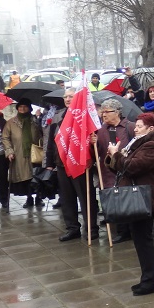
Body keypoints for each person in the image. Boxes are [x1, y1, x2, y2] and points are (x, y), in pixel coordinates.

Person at [106, 112, 154, 296]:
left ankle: (151, 281)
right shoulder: (138, 144)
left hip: (145, 197)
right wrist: (113, 156)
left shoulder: (152, 146)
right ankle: (148, 278)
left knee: (143, 240)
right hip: (138, 196)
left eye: (139, 126)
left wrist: (118, 156)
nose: (136, 129)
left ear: (151, 129)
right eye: (136, 126)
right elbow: (122, 166)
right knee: (140, 239)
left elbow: (131, 167)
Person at [45, 88, 99, 241]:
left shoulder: (86, 115)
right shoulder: (58, 116)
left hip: (81, 164)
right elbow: (51, 141)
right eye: (65, 97)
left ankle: (91, 227)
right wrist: (49, 162)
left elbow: (95, 138)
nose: (68, 99)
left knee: (86, 197)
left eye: (71, 96)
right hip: (61, 163)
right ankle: (72, 228)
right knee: (67, 199)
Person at [94, 98, 136, 242]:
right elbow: (95, 153)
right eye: (102, 112)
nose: (103, 115)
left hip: (125, 172)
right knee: (113, 203)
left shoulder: (130, 127)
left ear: (117, 112)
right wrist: (91, 144)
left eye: (107, 112)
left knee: (126, 202)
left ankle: (129, 231)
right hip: (107, 173)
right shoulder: (100, 131)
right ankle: (119, 230)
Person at [3, 99, 44, 209]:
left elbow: (41, 134)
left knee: (36, 175)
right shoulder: (11, 123)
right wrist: (9, 151)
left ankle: (38, 198)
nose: (22, 109)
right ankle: (29, 197)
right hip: (19, 154)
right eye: (20, 107)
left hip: (35, 153)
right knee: (25, 178)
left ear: (29, 108)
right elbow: (5, 138)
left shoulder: (35, 121)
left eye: (25, 107)